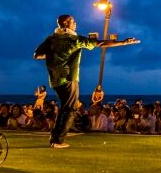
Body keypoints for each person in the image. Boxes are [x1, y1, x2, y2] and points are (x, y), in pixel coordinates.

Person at [33, 14, 136, 148]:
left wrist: (55, 56)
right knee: (70, 108)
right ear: (65, 23)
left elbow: (37, 55)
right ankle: (58, 140)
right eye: (73, 21)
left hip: (55, 79)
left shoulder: (51, 39)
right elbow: (100, 43)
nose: (75, 23)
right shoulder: (75, 39)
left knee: (65, 107)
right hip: (70, 78)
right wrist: (123, 42)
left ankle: (55, 137)